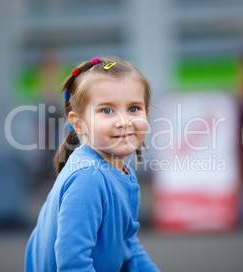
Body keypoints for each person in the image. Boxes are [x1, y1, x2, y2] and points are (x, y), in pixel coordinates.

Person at [25, 57, 160, 272]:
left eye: (134, 109)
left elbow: (128, 247)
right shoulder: (88, 177)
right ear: (79, 124)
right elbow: (72, 263)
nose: (124, 121)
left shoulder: (121, 172)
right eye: (107, 110)